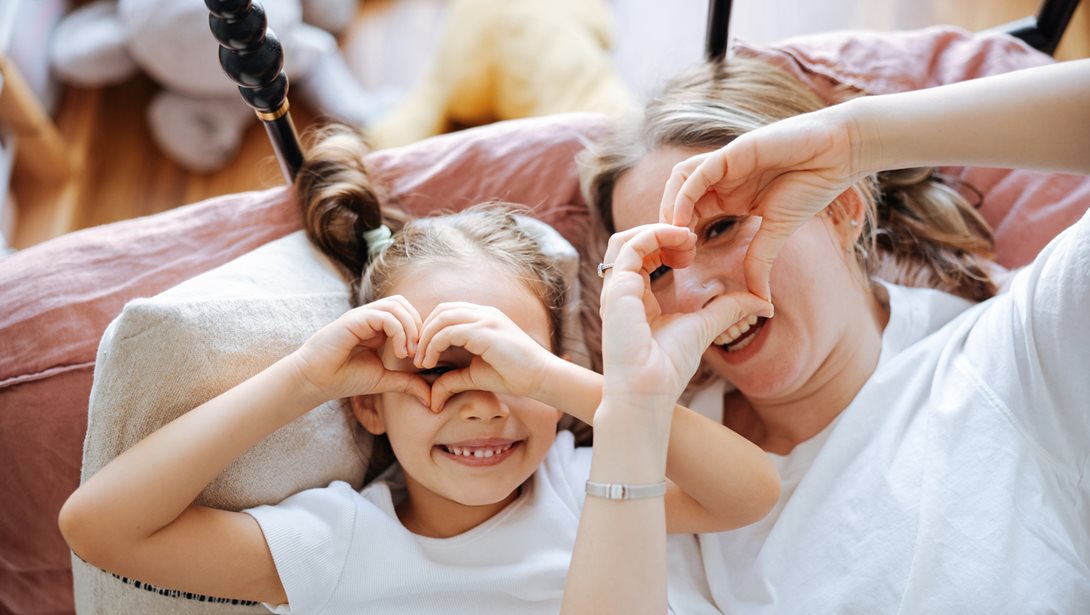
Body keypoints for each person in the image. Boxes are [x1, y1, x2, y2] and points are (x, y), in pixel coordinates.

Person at [58, 125, 779, 614]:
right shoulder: (342, 542)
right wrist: (305, 379)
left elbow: (750, 491)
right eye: (440, 369)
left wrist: (554, 382)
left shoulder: (580, 481)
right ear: (370, 403)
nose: (481, 404)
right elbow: (100, 528)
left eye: (505, 367)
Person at [582, 57, 1090, 612]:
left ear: (843, 207)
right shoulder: (661, 457)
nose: (690, 294)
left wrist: (856, 139)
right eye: (656, 269)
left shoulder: (1021, 350)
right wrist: (633, 414)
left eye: (721, 228)